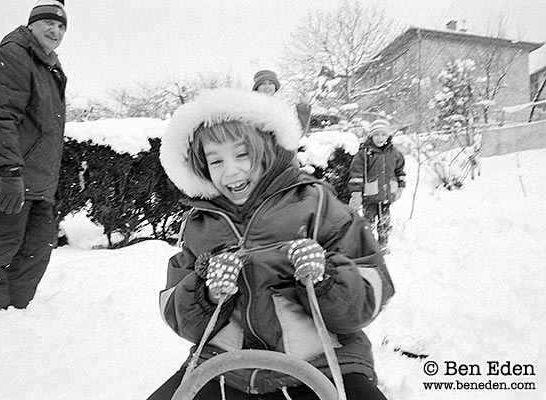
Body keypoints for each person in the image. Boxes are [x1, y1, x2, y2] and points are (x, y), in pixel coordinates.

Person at [152, 88, 394, 399]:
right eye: (216, 161)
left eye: (243, 154)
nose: (232, 170)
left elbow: (368, 297)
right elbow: (180, 317)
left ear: (267, 150)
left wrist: (326, 279)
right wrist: (209, 293)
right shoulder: (201, 226)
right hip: (224, 369)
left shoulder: (316, 204)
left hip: (323, 366)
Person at [0, 0, 68, 324]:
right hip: (11, 175)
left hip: (38, 179)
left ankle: (15, 318)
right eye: (48, 23)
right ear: (32, 24)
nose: (55, 30)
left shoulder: (48, 64)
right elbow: (0, 116)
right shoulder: (14, 55)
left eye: (61, 26)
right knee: (0, 249)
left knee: (39, 247)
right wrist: (9, 172)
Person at [348, 119, 406, 254]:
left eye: (383, 135)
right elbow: (356, 173)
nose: (380, 138)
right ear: (370, 136)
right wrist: (356, 193)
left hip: (387, 194)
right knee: (368, 222)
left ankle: (383, 244)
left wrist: (400, 187)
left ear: (388, 136)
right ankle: (368, 245)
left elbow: (400, 171)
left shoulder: (394, 153)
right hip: (370, 195)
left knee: (384, 221)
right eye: (376, 135)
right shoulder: (364, 153)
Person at [252, 69, 312, 135]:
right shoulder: (249, 107)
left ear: (275, 87)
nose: (267, 86)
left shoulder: (281, 109)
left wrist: (303, 111)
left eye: (270, 83)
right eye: (263, 83)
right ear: (257, 87)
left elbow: (295, 134)